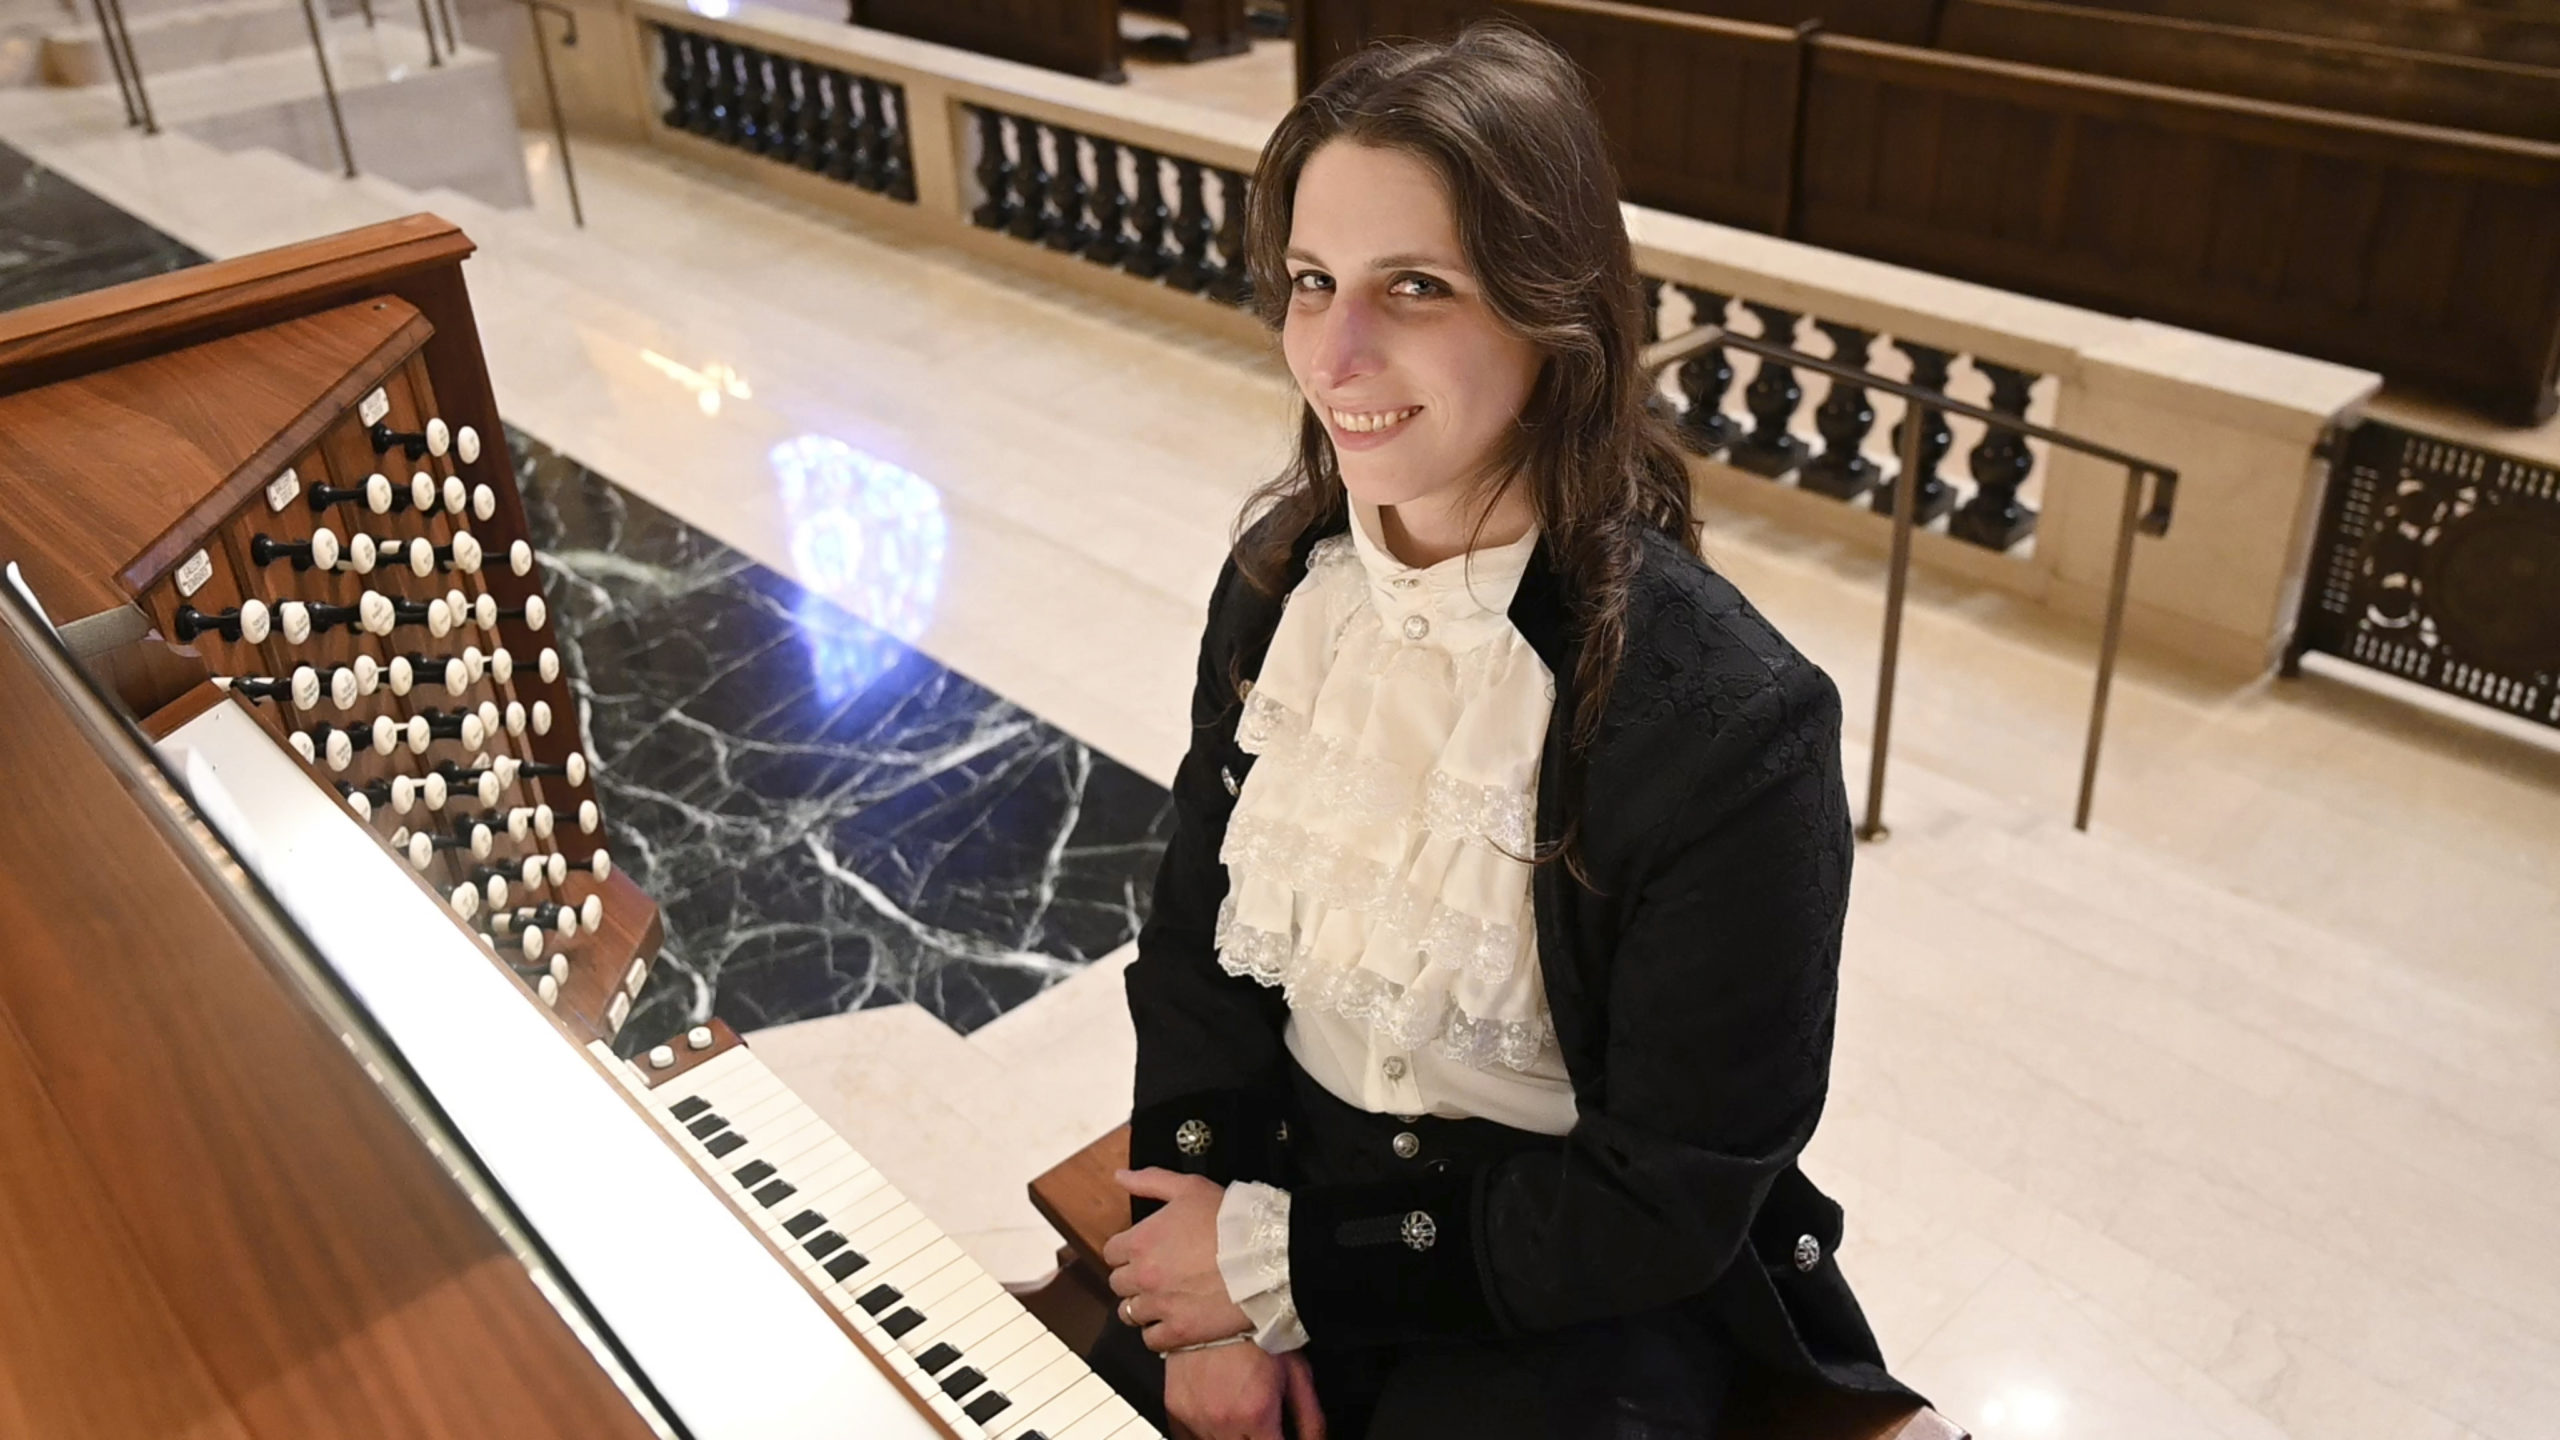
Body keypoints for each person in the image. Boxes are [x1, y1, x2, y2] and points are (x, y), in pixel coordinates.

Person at [1097, 22, 1926, 1439]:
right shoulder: (1279, 590)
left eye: (1414, 287)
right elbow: (1194, 952)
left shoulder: (1735, 725)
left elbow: (1669, 1192)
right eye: (1312, 283)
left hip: (1565, 1280)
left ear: (1557, 308)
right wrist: (1201, 1249)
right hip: (1282, 1175)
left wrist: (1284, 1269)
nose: (1336, 350)